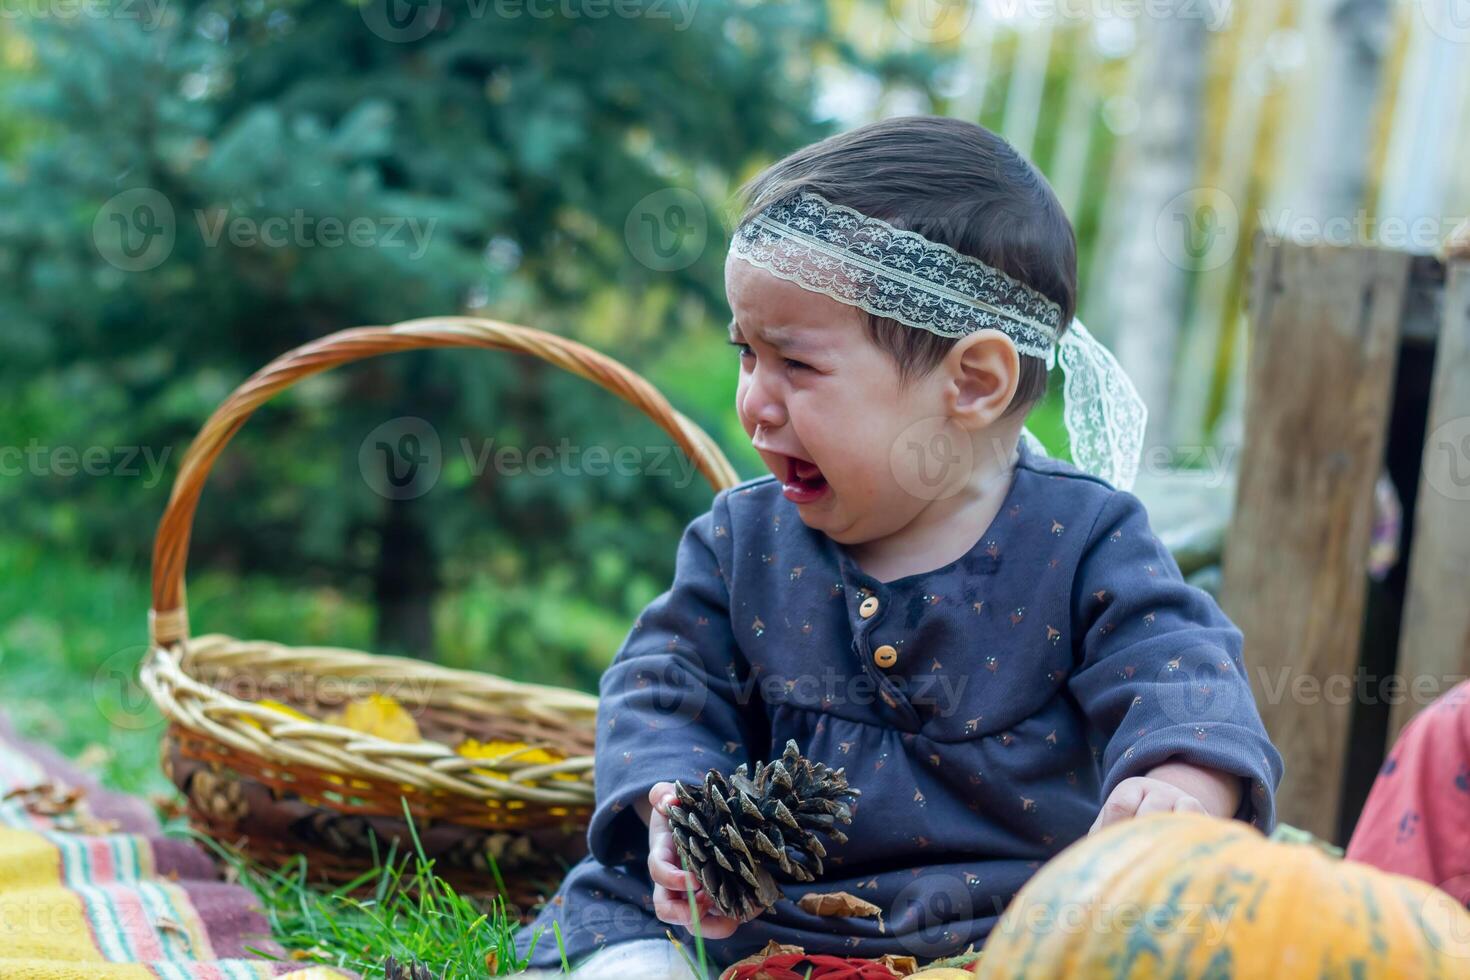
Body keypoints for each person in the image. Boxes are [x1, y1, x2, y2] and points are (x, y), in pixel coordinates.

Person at [511, 115, 1283, 978]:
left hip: (1004, 926)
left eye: (796, 366)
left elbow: (1178, 667)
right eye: (745, 354)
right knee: (615, 919)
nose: (755, 404)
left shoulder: (1083, 541)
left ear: (974, 382)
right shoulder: (743, 541)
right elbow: (664, 687)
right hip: (764, 915)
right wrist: (676, 805)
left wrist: (1186, 779)